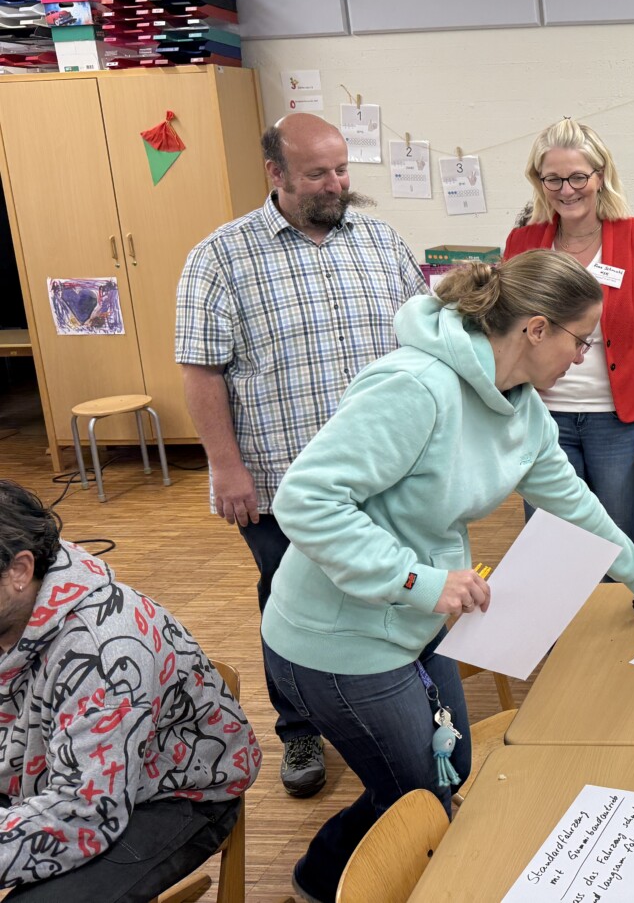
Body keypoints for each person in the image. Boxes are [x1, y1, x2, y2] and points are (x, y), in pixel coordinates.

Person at [263, 252, 634, 903]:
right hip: (337, 635)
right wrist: (419, 581)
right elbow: (305, 500)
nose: (583, 356)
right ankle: (324, 879)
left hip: (416, 616)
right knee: (417, 792)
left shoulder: (522, 407)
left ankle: (337, 872)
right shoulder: (415, 386)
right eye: (580, 340)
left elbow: (572, 501)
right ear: (536, 329)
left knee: (448, 767)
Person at [175, 112, 427, 798]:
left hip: (385, 473)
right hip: (280, 479)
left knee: (390, 584)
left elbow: (426, 337)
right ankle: (300, 728)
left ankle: (402, 696)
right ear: (276, 173)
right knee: (291, 603)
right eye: (318, 173)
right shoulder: (221, 257)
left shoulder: (380, 242)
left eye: (342, 169)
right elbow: (201, 371)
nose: (336, 184)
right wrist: (226, 466)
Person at [0, 482, 259, 901]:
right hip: (49, 772)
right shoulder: (10, 611)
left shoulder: (102, 653)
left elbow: (85, 812)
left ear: (20, 570)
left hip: (169, 793)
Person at [504, 119, 634, 548]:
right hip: (543, 419)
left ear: (600, 176)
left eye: (577, 177)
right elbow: (507, 333)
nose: (566, 190)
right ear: (539, 181)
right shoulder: (523, 243)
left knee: (615, 545)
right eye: (553, 178)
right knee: (552, 546)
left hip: (620, 426)